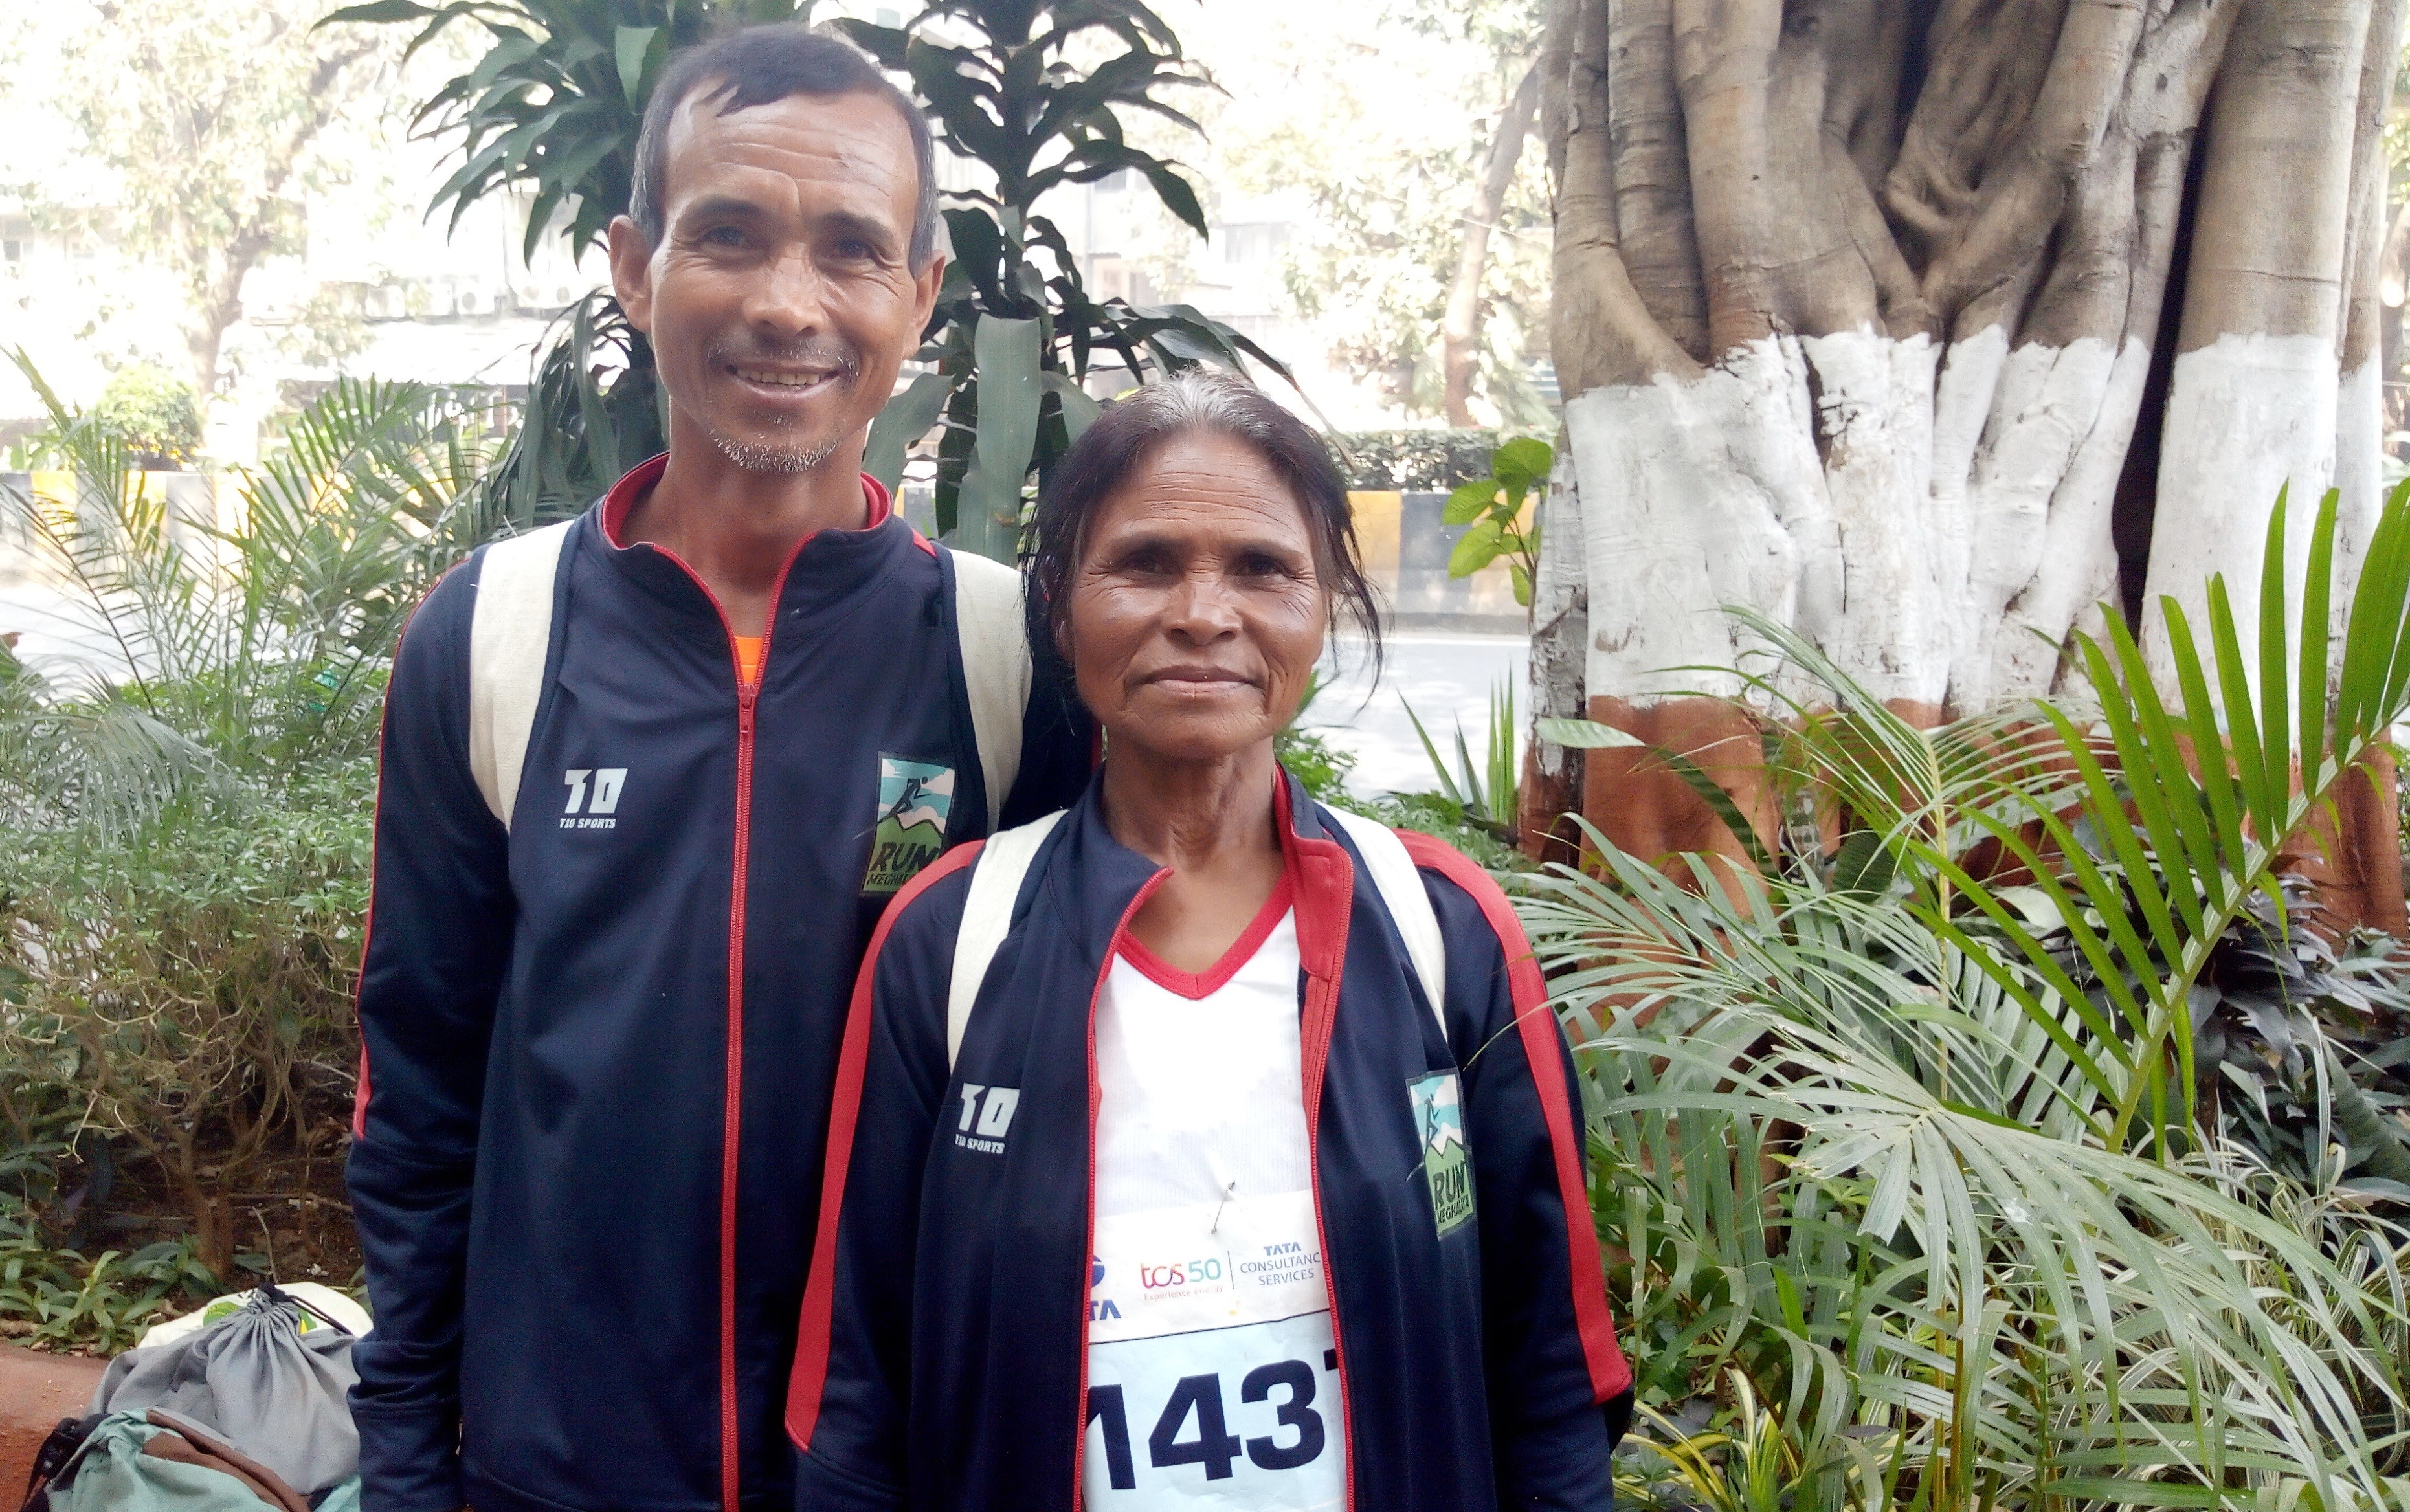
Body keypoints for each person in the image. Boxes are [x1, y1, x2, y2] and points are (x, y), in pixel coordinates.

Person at [345, 25, 1091, 1512]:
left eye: (851, 249)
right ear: (634, 268)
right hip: (554, 1471)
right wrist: (410, 1464)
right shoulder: (493, 633)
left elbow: (1077, 1093)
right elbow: (417, 1088)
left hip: (889, 1472)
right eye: (728, 235)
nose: (785, 303)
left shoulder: (1010, 655)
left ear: (921, 294)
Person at [785, 369, 1633, 1511]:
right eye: (1143, 563)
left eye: (1262, 568)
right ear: (1059, 606)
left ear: (1325, 604)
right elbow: (857, 1393)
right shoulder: (949, 940)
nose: (1201, 612)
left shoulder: (1442, 926)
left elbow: (1551, 1379)